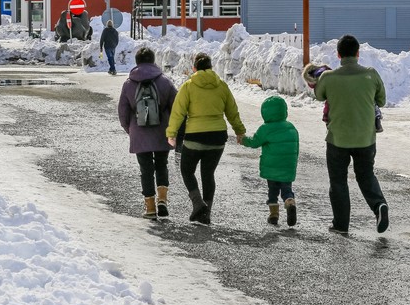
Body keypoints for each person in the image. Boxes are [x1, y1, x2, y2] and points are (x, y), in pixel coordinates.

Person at [313, 34, 389, 234]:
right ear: (358, 53)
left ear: (338, 55)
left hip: (337, 138)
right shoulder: (371, 75)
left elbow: (318, 94)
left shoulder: (328, 78)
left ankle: (341, 224)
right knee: (365, 175)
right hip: (365, 138)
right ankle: (379, 205)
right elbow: (381, 100)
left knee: (338, 181)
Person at [166, 52, 246, 225]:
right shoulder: (222, 85)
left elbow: (178, 112)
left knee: (187, 170)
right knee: (208, 174)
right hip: (218, 138)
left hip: (195, 136)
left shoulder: (188, 86)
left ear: (194, 68)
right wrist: (239, 131)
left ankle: (197, 203)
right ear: (211, 67)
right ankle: (206, 212)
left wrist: (171, 133)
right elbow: (232, 111)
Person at [118, 47, 177, 219]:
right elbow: (176, 106)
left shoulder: (129, 84)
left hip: (139, 133)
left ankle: (150, 207)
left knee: (145, 169)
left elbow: (122, 111)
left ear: (136, 62)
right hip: (161, 131)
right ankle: (163, 200)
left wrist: (130, 129)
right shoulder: (165, 81)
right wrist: (173, 128)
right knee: (161, 164)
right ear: (153, 61)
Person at [240, 96, 299, 226]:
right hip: (287, 166)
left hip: (272, 167)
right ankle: (290, 202)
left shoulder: (265, 128)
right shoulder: (291, 127)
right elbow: (296, 148)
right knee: (287, 189)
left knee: (272, 191)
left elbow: (255, 142)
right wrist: (293, 163)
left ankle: (273, 215)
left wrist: (243, 140)